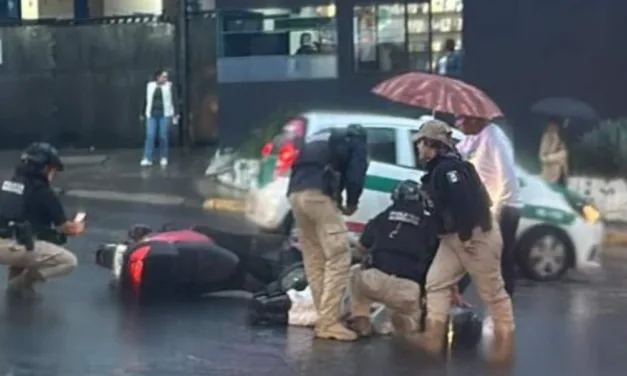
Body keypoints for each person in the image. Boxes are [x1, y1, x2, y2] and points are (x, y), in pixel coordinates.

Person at [414, 120, 514, 353]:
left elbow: (465, 203)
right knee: (436, 282)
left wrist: (467, 236)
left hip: (475, 237)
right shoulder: (439, 169)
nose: (418, 148)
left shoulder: (449, 170)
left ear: (430, 144)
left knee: (493, 293)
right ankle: (433, 337)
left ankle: (505, 343)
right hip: (452, 239)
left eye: (420, 143)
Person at [287, 124, 369, 341]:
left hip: (295, 194)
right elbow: (356, 173)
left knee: (315, 258)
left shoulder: (322, 137)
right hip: (318, 195)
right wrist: (352, 202)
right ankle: (329, 322)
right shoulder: (356, 141)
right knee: (339, 255)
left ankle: (324, 315)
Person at [347, 180, 439, 337]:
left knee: (355, 272)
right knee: (409, 318)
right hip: (408, 289)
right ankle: (405, 325)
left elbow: (362, 248)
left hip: (375, 280)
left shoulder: (382, 217)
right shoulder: (430, 224)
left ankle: (361, 320)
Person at [0, 142, 83, 298]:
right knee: (68, 261)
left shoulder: (8, 182)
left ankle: (15, 279)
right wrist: (77, 227)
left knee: (29, 238)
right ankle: (21, 283)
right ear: (44, 168)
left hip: (5, 241)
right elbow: (66, 227)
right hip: (14, 247)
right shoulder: (43, 192)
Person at [456, 116, 521, 298]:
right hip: (483, 206)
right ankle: (455, 294)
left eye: (461, 119)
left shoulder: (494, 137)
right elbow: (458, 155)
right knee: (471, 252)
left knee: (500, 258)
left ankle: (504, 301)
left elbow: (508, 178)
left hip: (505, 207)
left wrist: (496, 213)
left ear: (476, 119)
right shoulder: (470, 139)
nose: (457, 124)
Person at [141, 69, 176, 168]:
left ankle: (163, 156)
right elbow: (145, 99)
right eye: (163, 76)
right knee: (150, 135)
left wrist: (175, 114)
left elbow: (174, 100)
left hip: (164, 114)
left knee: (163, 135)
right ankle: (147, 157)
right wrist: (142, 112)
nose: (165, 79)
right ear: (158, 77)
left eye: (166, 77)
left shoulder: (169, 86)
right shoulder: (150, 86)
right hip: (151, 114)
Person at [539, 116, 569, 187]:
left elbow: (564, 156)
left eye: (555, 126)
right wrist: (555, 142)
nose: (553, 128)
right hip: (548, 177)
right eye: (551, 126)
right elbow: (543, 158)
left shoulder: (560, 138)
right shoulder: (546, 137)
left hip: (560, 177)